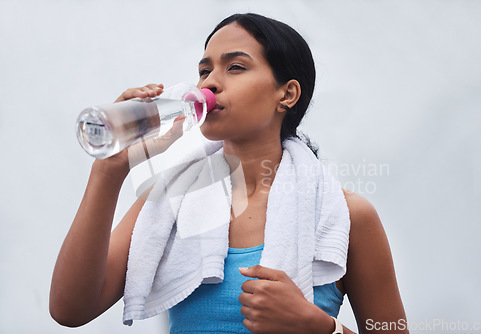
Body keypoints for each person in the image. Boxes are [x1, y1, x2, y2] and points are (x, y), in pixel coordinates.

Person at [50, 13, 408, 333]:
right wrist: (109, 170)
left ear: (287, 94)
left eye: (235, 67)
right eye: (204, 71)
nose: (209, 84)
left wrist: (320, 329)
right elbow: (70, 310)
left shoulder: (344, 216)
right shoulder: (170, 203)